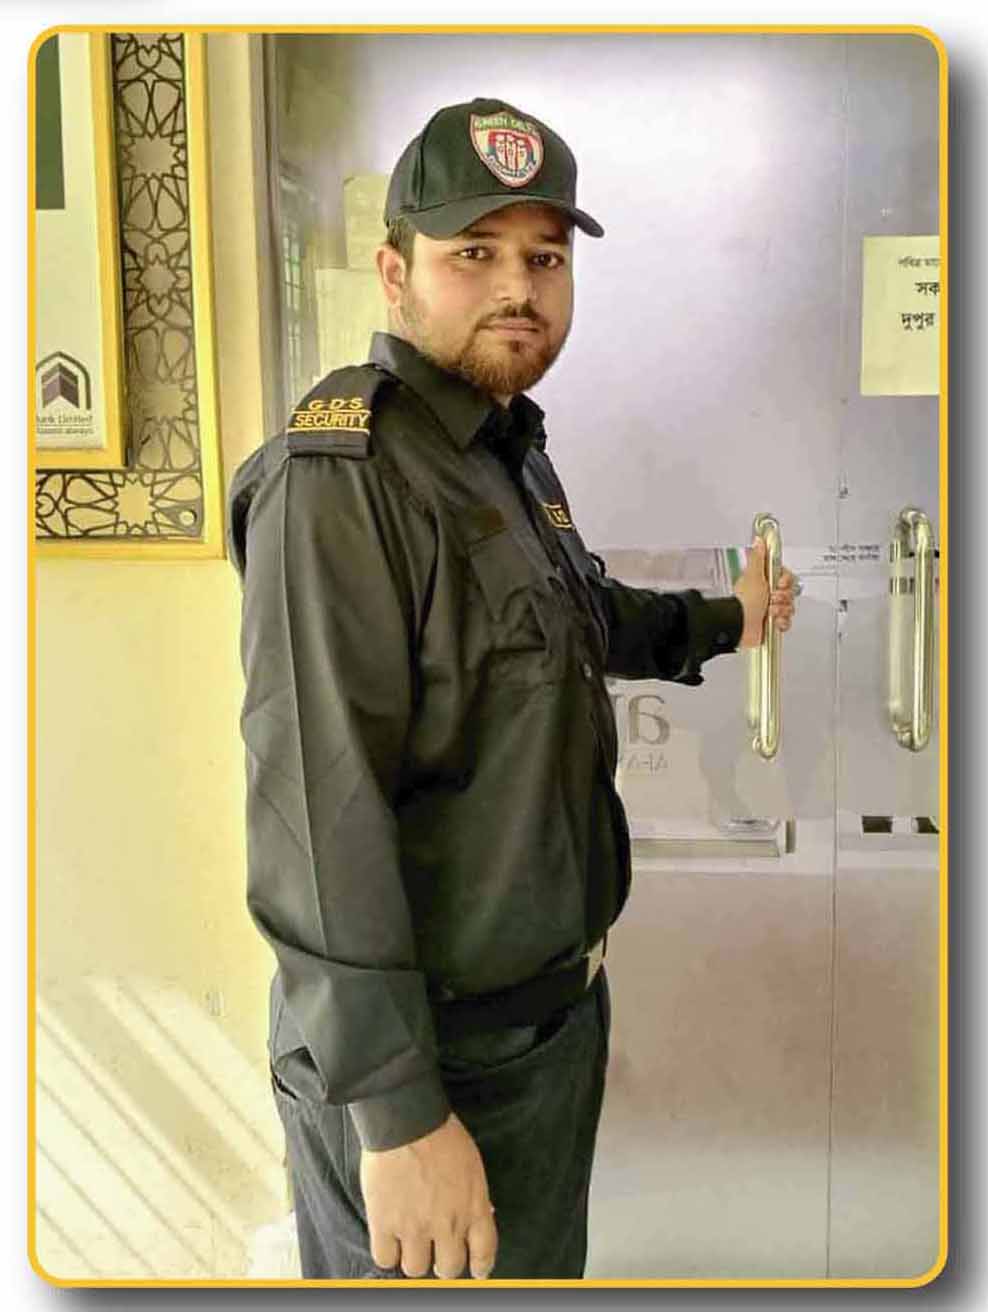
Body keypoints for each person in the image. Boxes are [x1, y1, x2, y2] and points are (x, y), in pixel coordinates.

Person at [226, 96, 797, 1281]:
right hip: (430, 1069)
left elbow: (579, 620)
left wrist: (728, 620)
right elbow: (318, 811)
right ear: (395, 273)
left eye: (544, 258)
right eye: (473, 253)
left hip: (542, 1037)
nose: (517, 288)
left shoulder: (503, 453)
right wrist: (397, 1114)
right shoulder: (343, 479)